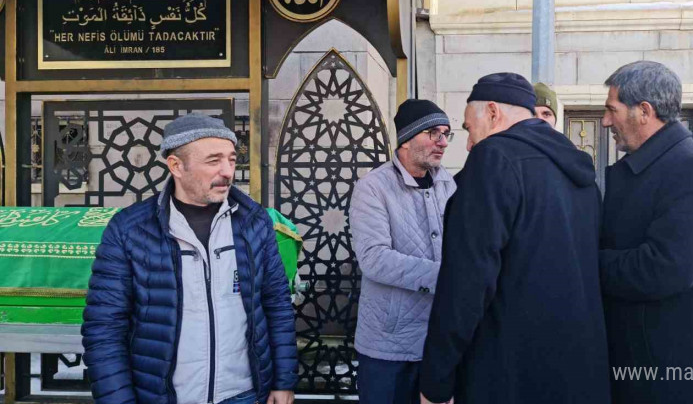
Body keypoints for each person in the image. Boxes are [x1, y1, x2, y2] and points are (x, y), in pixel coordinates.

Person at [419, 73, 610, 404]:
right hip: (579, 371)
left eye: (467, 128)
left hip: (511, 373)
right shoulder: (579, 172)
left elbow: (467, 284)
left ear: (493, 112)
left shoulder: (493, 159)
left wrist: (436, 381)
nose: (468, 143)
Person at [82, 113, 297, 404]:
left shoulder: (253, 222)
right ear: (176, 166)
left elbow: (276, 305)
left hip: (242, 395)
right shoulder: (130, 230)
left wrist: (283, 381)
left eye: (231, 160)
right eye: (213, 161)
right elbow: (105, 327)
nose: (227, 171)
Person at [599, 61, 693, 403]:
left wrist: (587, 263)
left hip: (672, 375)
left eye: (612, 110)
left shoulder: (692, 168)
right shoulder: (645, 167)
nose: (605, 121)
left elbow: (666, 269)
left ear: (644, 111)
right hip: (642, 365)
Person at [350, 99, 456, 404]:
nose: (443, 142)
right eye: (434, 133)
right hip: (388, 347)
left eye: (447, 133)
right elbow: (374, 259)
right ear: (408, 138)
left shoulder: (450, 185)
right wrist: (447, 277)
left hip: (439, 340)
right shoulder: (373, 187)